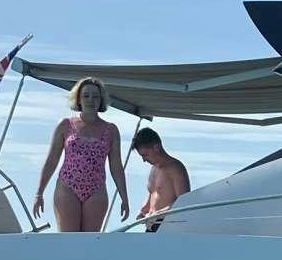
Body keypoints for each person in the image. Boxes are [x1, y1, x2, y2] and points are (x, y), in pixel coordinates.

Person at [33, 77, 130, 232]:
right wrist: (39, 192)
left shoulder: (111, 130)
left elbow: (116, 166)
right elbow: (52, 160)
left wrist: (124, 197)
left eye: (95, 96)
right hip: (67, 187)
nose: (90, 100)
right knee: (68, 240)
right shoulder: (65, 125)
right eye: (86, 96)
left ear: (101, 100)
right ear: (78, 99)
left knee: (90, 242)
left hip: (96, 189)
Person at [132, 126, 191, 224]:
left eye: (145, 155)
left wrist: (158, 215)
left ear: (156, 147)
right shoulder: (153, 169)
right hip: (151, 225)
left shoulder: (176, 168)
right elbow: (154, 194)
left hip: (168, 226)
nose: (144, 160)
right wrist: (142, 211)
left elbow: (184, 203)